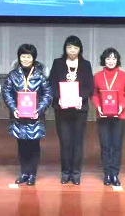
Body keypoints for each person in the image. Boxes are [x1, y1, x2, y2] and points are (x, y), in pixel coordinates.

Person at [2, 44, 52, 186]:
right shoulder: (13, 75)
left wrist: (39, 110)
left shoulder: (40, 75)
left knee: (34, 145)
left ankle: (32, 174)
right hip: (18, 117)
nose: (25, 59)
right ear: (19, 57)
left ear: (33, 58)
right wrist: (13, 108)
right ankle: (24, 173)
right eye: (23, 56)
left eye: (28, 56)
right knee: (22, 145)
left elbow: (48, 94)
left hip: (35, 117)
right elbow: (6, 92)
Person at [49, 35, 93, 185]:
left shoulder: (85, 64)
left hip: (80, 109)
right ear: (65, 48)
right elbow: (52, 84)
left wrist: (81, 97)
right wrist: (58, 98)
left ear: (80, 49)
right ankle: (65, 172)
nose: (72, 50)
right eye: (69, 47)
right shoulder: (58, 63)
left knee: (78, 142)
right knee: (65, 142)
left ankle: (76, 173)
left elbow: (89, 86)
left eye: (75, 47)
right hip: (62, 108)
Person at [92, 48, 125, 187]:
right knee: (105, 146)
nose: (111, 61)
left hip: (119, 116)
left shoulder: (124, 76)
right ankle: (107, 174)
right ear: (103, 60)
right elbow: (94, 94)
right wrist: (98, 106)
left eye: (114, 59)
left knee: (116, 146)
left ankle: (114, 174)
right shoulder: (97, 76)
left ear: (117, 60)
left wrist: (121, 106)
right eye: (108, 58)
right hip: (102, 115)